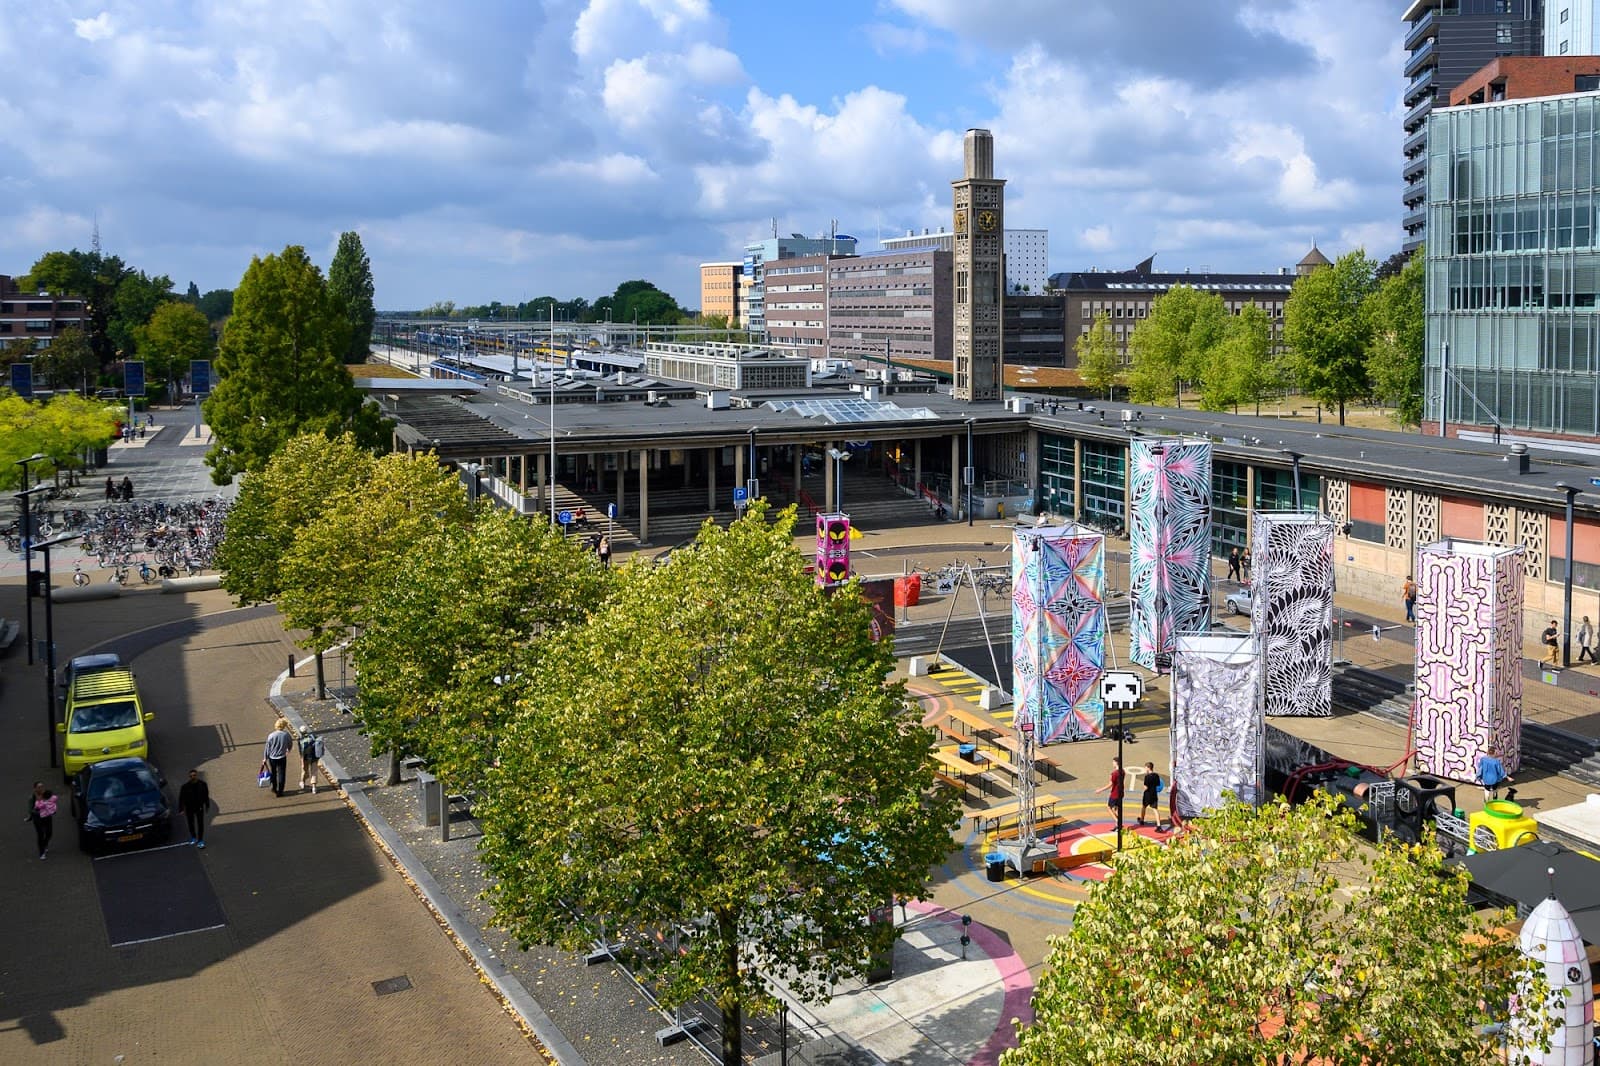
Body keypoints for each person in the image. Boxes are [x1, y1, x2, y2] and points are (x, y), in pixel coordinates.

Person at [177, 769, 215, 847]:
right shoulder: (185, 787)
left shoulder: (203, 784)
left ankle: (200, 840)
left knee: (200, 824)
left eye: (194, 775)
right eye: (191, 776)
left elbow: (206, 795)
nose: (193, 777)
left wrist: (207, 805)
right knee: (191, 823)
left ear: (197, 775)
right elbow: (181, 798)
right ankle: (193, 837)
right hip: (189, 808)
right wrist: (181, 809)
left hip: (199, 807)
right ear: (189, 777)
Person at [262, 718, 293, 797]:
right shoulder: (286, 735)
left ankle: (274, 787)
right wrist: (288, 750)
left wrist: (265, 758)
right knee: (282, 774)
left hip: (272, 757)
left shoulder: (271, 735)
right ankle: (281, 790)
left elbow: (267, 748)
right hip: (282, 757)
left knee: (273, 772)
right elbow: (290, 744)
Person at [25, 783, 56, 860]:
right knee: (40, 834)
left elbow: (52, 803)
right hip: (37, 818)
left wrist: (52, 810)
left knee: (49, 833)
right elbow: (30, 809)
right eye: (39, 787)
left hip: (47, 817)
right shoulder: (32, 798)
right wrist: (37, 810)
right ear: (35, 789)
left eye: (42, 786)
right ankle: (42, 853)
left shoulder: (47, 794)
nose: (41, 788)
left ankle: (45, 844)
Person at [1094, 758, 1126, 825]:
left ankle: (1117, 821)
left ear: (1116, 763)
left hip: (1115, 793)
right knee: (1116, 809)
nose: (1112, 763)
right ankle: (1118, 824)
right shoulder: (1123, 771)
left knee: (1109, 807)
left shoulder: (1114, 774)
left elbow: (1110, 784)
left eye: (1113, 762)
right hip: (1121, 793)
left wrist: (1100, 790)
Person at [1137, 762, 1162, 827]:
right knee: (1155, 809)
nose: (1145, 769)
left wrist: (1144, 788)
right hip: (1154, 794)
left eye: (1145, 767)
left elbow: (1145, 787)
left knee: (1144, 807)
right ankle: (1159, 825)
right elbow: (1158, 784)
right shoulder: (1156, 775)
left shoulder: (1147, 777)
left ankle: (1142, 820)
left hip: (1147, 795)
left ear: (1148, 768)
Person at [299, 730, 324, 794]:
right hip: (314, 757)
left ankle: (302, 782)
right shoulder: (312, 736)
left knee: (304, 770)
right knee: (314, 772)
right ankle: (314, 788)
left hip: (305, 757)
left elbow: (301, 752)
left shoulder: (300, 740)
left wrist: (302, 761)